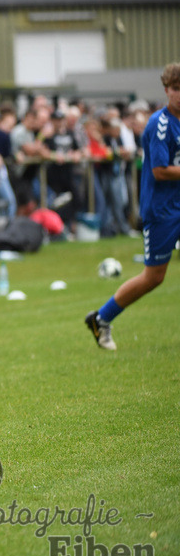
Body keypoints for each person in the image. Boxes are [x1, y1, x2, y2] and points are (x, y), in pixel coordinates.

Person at [85, 64, 180, 351]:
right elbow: (160, 170)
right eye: (176, 89)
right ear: (166, 90)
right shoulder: (159, 124)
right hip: (163, 210)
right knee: (154, 277)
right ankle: (101, 318)